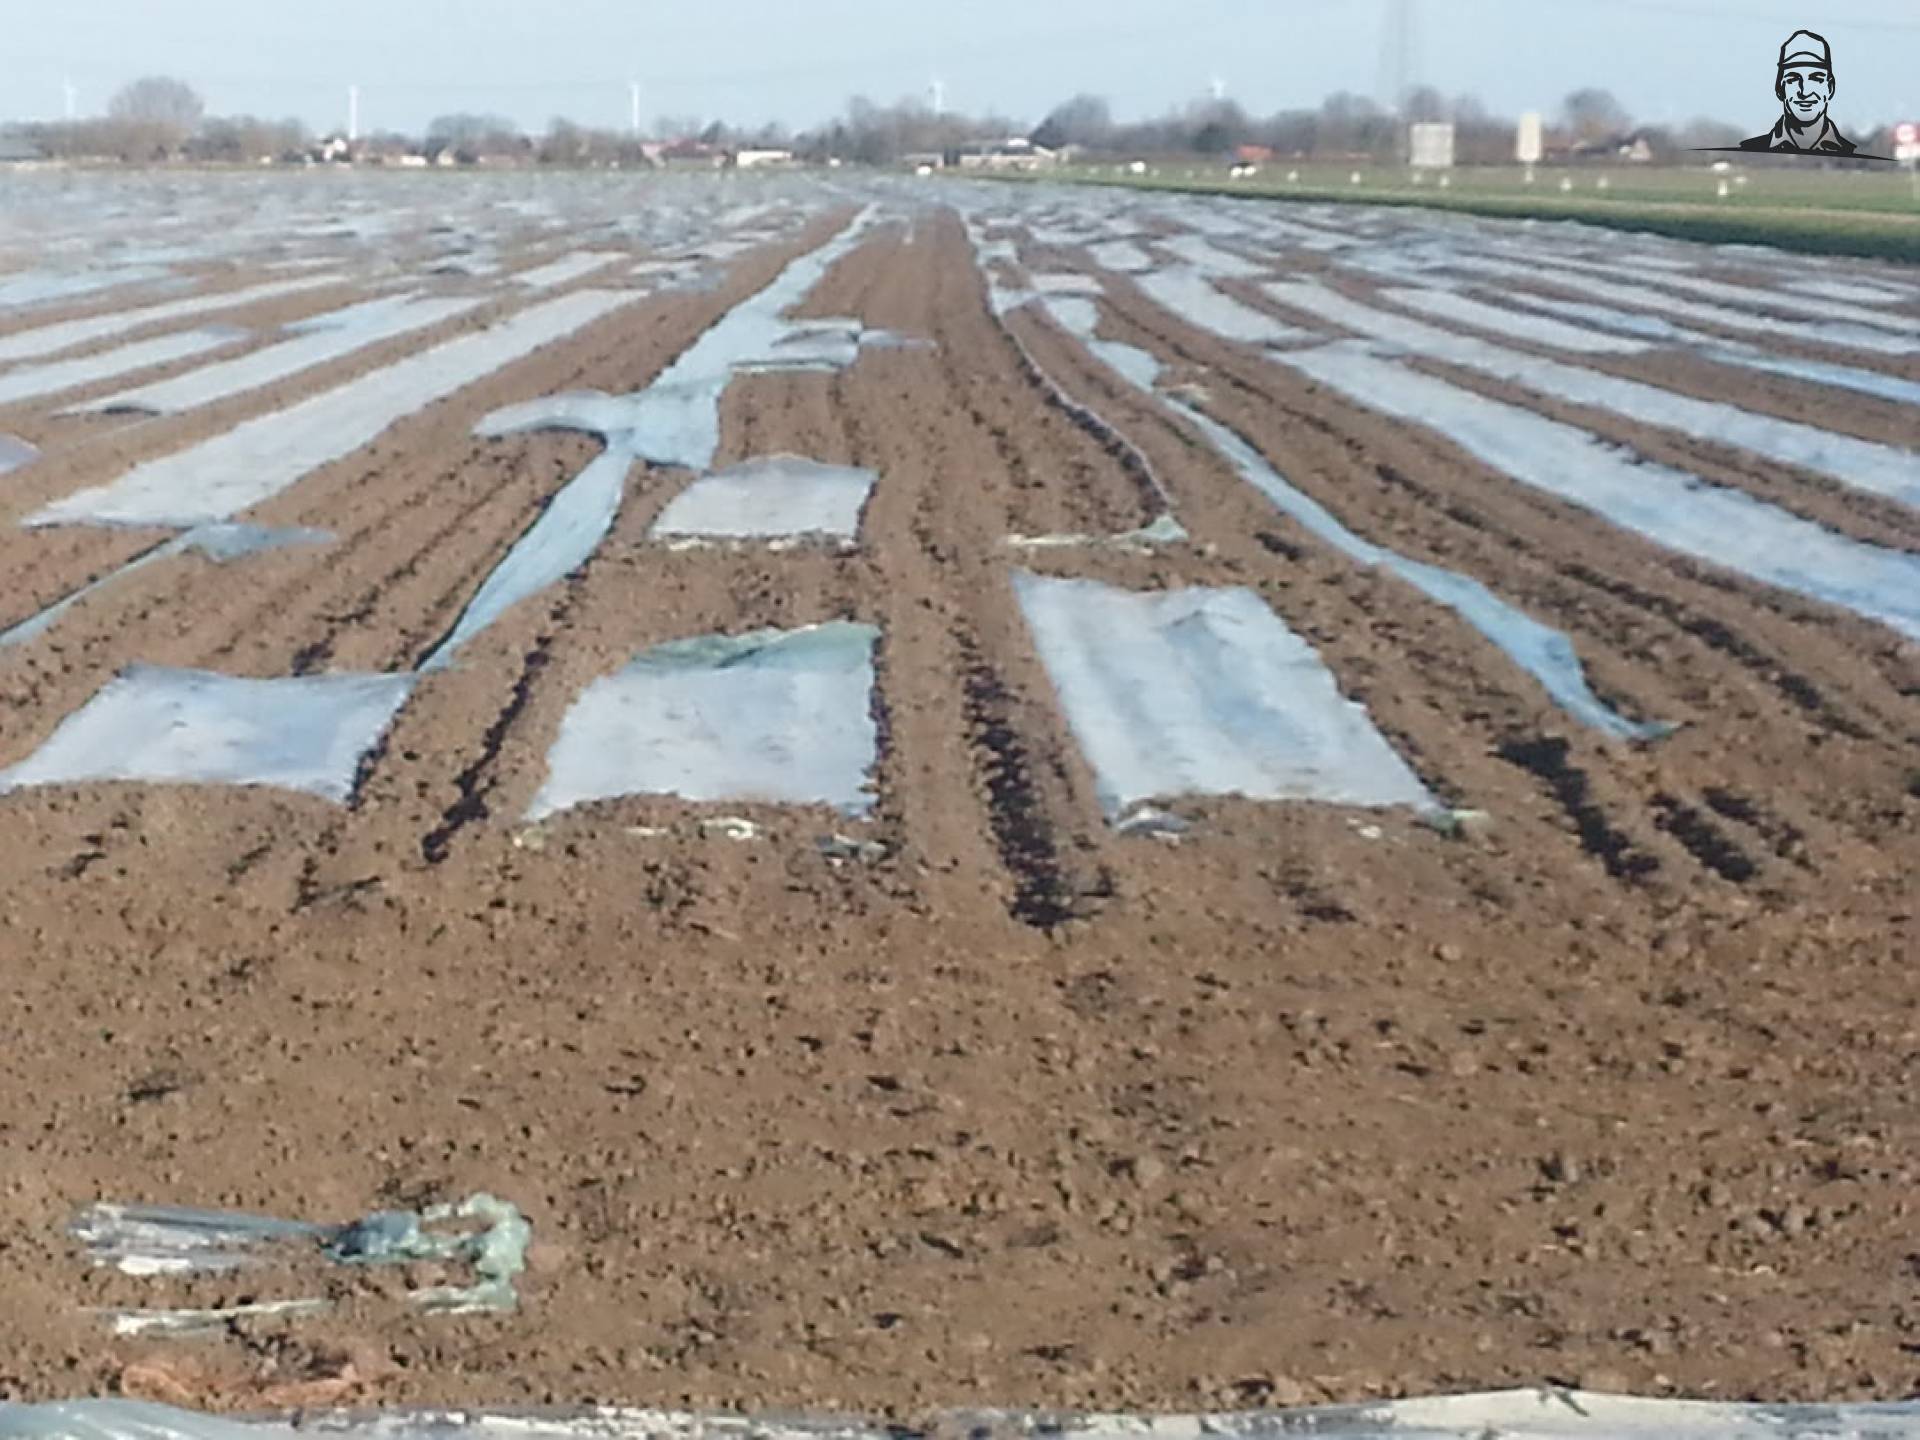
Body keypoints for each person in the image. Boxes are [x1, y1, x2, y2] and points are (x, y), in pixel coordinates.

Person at [1740, 30, 1858, 154]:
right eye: (1793, 79)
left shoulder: (1853, 154)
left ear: (1830, 88)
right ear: (1779, 89)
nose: (1804, 92)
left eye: (1816, 79)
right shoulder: (1749, 151)